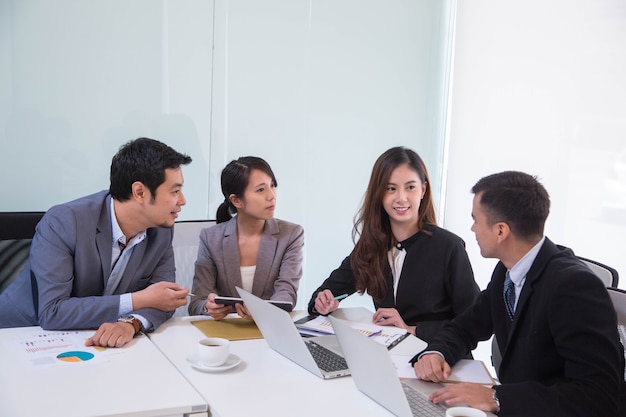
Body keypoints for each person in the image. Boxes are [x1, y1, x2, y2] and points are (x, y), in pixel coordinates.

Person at [412, 171, 625, 417]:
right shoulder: (508, 269)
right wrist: (436, 353)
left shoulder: (574, 287)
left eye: (476, 220)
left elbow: (597, 396)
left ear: (501, 231)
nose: (472, 228)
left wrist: (496, 397)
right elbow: (467, 325)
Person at [0, 137, 193, 348]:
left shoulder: (161, 231)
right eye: (175, 191)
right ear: (139, 192)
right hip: (20, 336)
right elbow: (52, 312)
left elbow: (164, 299)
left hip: (90, 344)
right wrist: (139, 299)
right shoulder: (64, 221)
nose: (182, 200)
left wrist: (130, 323)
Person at [307, 147, 480, 345]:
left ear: (423, 190)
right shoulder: (372, 246)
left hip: (442, 356)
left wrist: (412, 330)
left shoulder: (449, 247)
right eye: (391, 188)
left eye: (410, 187)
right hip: (393, 357)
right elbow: (324, 294)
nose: (401, 198)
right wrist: (323, 302)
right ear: (379, 194)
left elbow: (473, 322)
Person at [188, 156, 303, 320]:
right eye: (261, 190)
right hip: (225, 331)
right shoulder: (210, 238)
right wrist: (208, 307)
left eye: (272, 186)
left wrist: (262, 310)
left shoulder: (291, 234)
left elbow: (287, 293)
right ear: (236, 200)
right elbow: (197, 302)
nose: (271, 196)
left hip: (270, 328)